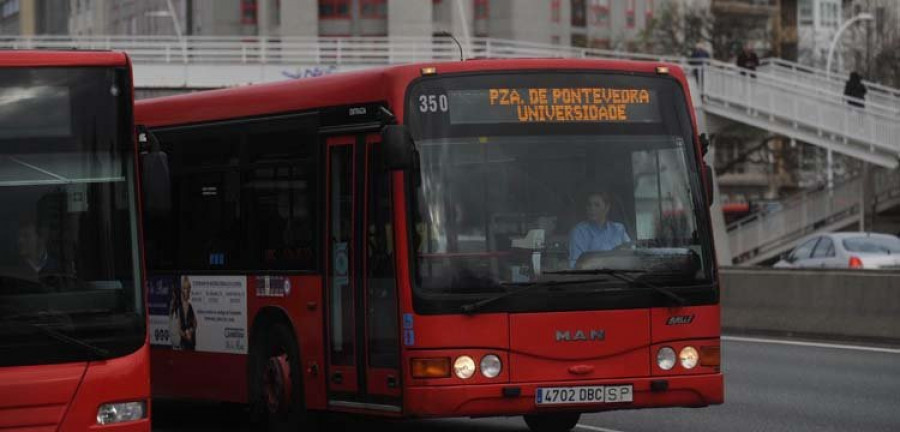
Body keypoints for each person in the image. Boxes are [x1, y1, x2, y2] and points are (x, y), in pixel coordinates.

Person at [568, 191, 631, 268]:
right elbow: (575, 265)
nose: (592, 208)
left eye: (597, 205)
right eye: (589, 205)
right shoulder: (579, 232)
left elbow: (630, 256)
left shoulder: (618, 229)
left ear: (607, 208)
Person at [177, 276, 198, 350]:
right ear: (182, 291)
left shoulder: (190, 306)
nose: (187, 291)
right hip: (184, 342)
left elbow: (195, 323)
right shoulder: (179, 309)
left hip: (191, 342)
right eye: (185, 289)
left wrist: (191, 331)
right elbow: (179, 328)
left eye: (188, 289)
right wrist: (185, 335)